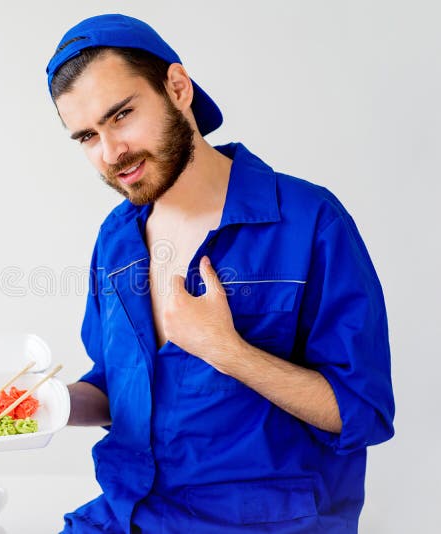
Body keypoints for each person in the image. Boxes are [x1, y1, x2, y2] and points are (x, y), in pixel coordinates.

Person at [45, 14, 395, 533]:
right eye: (87, 137)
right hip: (128, 513)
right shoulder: (116, 239)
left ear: (177, 87)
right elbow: (120, 389)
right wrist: (42, 405)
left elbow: (362, 413)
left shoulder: (310, 221)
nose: (110, 152)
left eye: (121, 115)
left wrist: (226, 350)